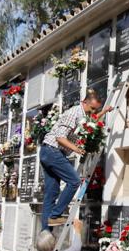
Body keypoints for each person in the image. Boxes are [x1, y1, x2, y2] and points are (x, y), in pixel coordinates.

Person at [41, 89, 112, 229]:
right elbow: (60, 138)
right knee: (74, 181)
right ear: (84, 102)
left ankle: (45, 232)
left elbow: (90, 122)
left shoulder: (84, 114)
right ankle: (55, 216)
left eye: (95, 110)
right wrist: (76, 149)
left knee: (52, 193)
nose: (92, 112)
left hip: (47, 151)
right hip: (53, 151)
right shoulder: (73, 113)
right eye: (92, 108)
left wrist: (103, 112)